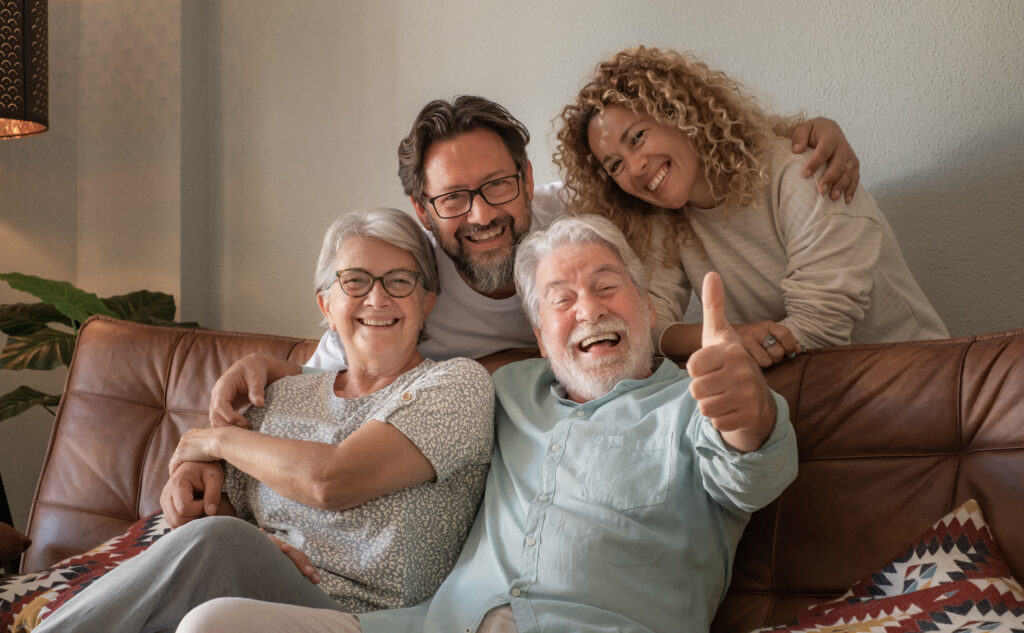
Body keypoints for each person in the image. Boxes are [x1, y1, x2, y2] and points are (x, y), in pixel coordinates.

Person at [176, 215, 798, 633]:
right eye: (562, 299)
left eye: (608, 287)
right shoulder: (504, 388)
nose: (588, 309)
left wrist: (748, 409)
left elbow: (750, 466)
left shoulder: (697, 403)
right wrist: (253, 390)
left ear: (650, 306)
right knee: (211, 625)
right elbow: (360, 360)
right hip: (420, 629)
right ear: (538, 334)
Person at [210, 96, 860, 426]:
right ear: (422, 209)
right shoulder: (403, 277)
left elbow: (675, 162)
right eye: (454, 198)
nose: (483, 214)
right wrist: (205, 449)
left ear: (525, 176)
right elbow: (326, 375)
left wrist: (803, 128)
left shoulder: (579, 222)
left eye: (497, 185)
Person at [32, 208, 495, 633]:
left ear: (427, 302)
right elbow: (215, 513)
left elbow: (333, 481)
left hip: (370, 618)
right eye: (355, 281)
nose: (377, 298)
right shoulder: (279, 394)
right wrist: (212, 507)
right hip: (254, 599)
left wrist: (215, 442)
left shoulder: (456, 386)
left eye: (399, 281)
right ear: (325, 305)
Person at [556, 46, 948, 368]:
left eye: (638, 137)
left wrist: (727, 344)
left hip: (912, 378)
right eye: (616, 165)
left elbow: (820, 329)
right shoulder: (665, 218)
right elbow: (646, 323)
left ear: (680, 115)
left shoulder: (801, 173)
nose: (636, 168)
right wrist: (721, 337)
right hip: (802, 390)